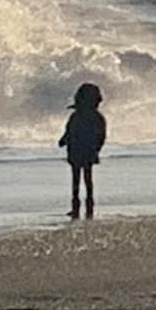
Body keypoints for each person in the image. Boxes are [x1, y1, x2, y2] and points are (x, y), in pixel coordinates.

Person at [60, 82, 106, 221]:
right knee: (86, 176)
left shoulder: (78, 116)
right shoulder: (96, 117)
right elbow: (101, 135)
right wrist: (97, 148)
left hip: (78, 150)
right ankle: (86, 202)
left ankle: (78, 203)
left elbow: (69, 131)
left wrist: (63, 140)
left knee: (79, 177)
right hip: (85, 150)